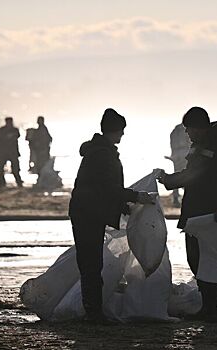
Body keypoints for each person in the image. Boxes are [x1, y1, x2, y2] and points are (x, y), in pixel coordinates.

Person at [68, 108, 155, 323]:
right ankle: (94, 313)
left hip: (86, 211)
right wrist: (136, 197)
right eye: (121, 130)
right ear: (114, 130)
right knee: (91, 264)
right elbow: (108, 188)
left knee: (90, 263)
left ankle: (93, 309)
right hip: (89, 213)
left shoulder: (98, 151)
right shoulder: (103, 154)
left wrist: (123, 206)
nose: (123, 135)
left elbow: (101, 189)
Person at [157, 107, 217, 323]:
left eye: (189, 129)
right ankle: (209, 306)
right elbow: (192, 175)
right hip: (196, 212)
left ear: (199, 127)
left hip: (213, 215)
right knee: (198, 260)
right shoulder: (201, 147)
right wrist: (170, 180)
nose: (187, 134)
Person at [166, 123, 191, 207]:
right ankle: (186, 197)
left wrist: (173, 153)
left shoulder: (176, 129)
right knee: (187, 176)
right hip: (186, 153)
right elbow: (190, 141)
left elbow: (172, 140)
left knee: (177, 175)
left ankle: (176, 198)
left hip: (177, 154)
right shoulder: (189, 128)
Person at [0, 117, 23, 188]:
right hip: (4, 152)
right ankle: (2, 184)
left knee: (15, 170)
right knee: (1, 169)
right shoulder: (3, 130)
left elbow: (17, 136)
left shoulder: (14, 130)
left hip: (11, 152)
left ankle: (19, 183)